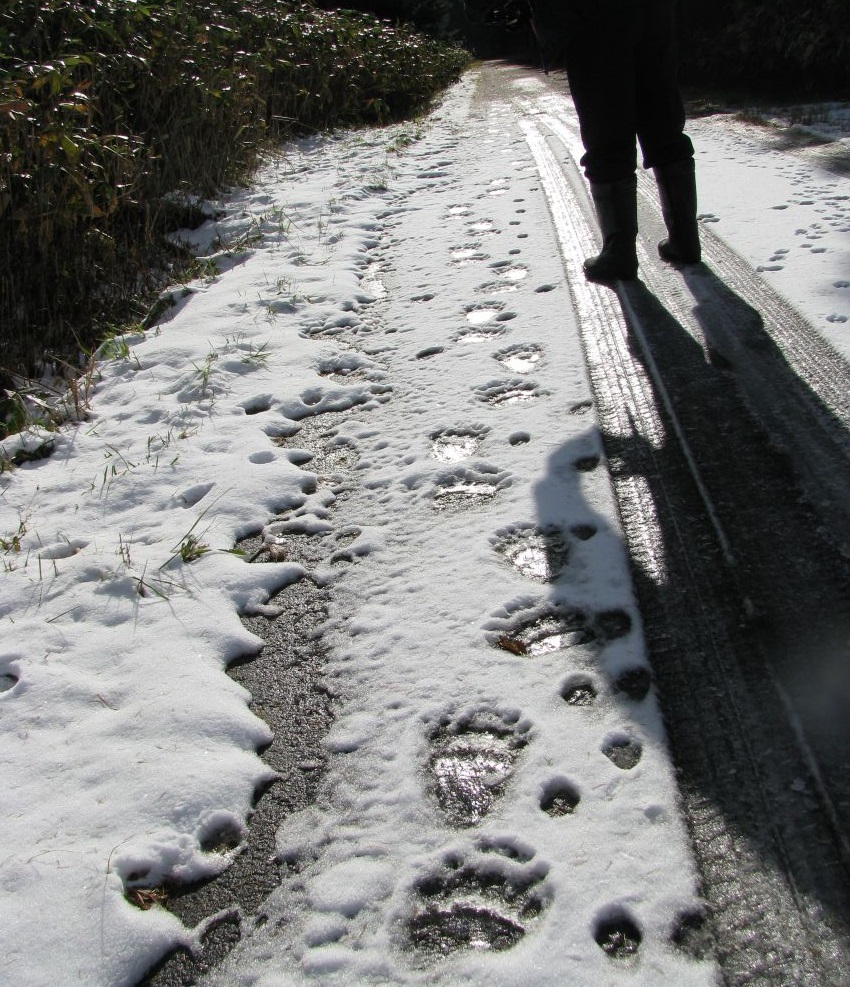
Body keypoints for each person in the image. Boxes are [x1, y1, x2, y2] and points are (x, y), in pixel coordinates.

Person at [531, 0, 701, 283]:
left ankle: (619, 253)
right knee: (663, 116)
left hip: (594, 13)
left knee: (606, 125)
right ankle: (685, 239)